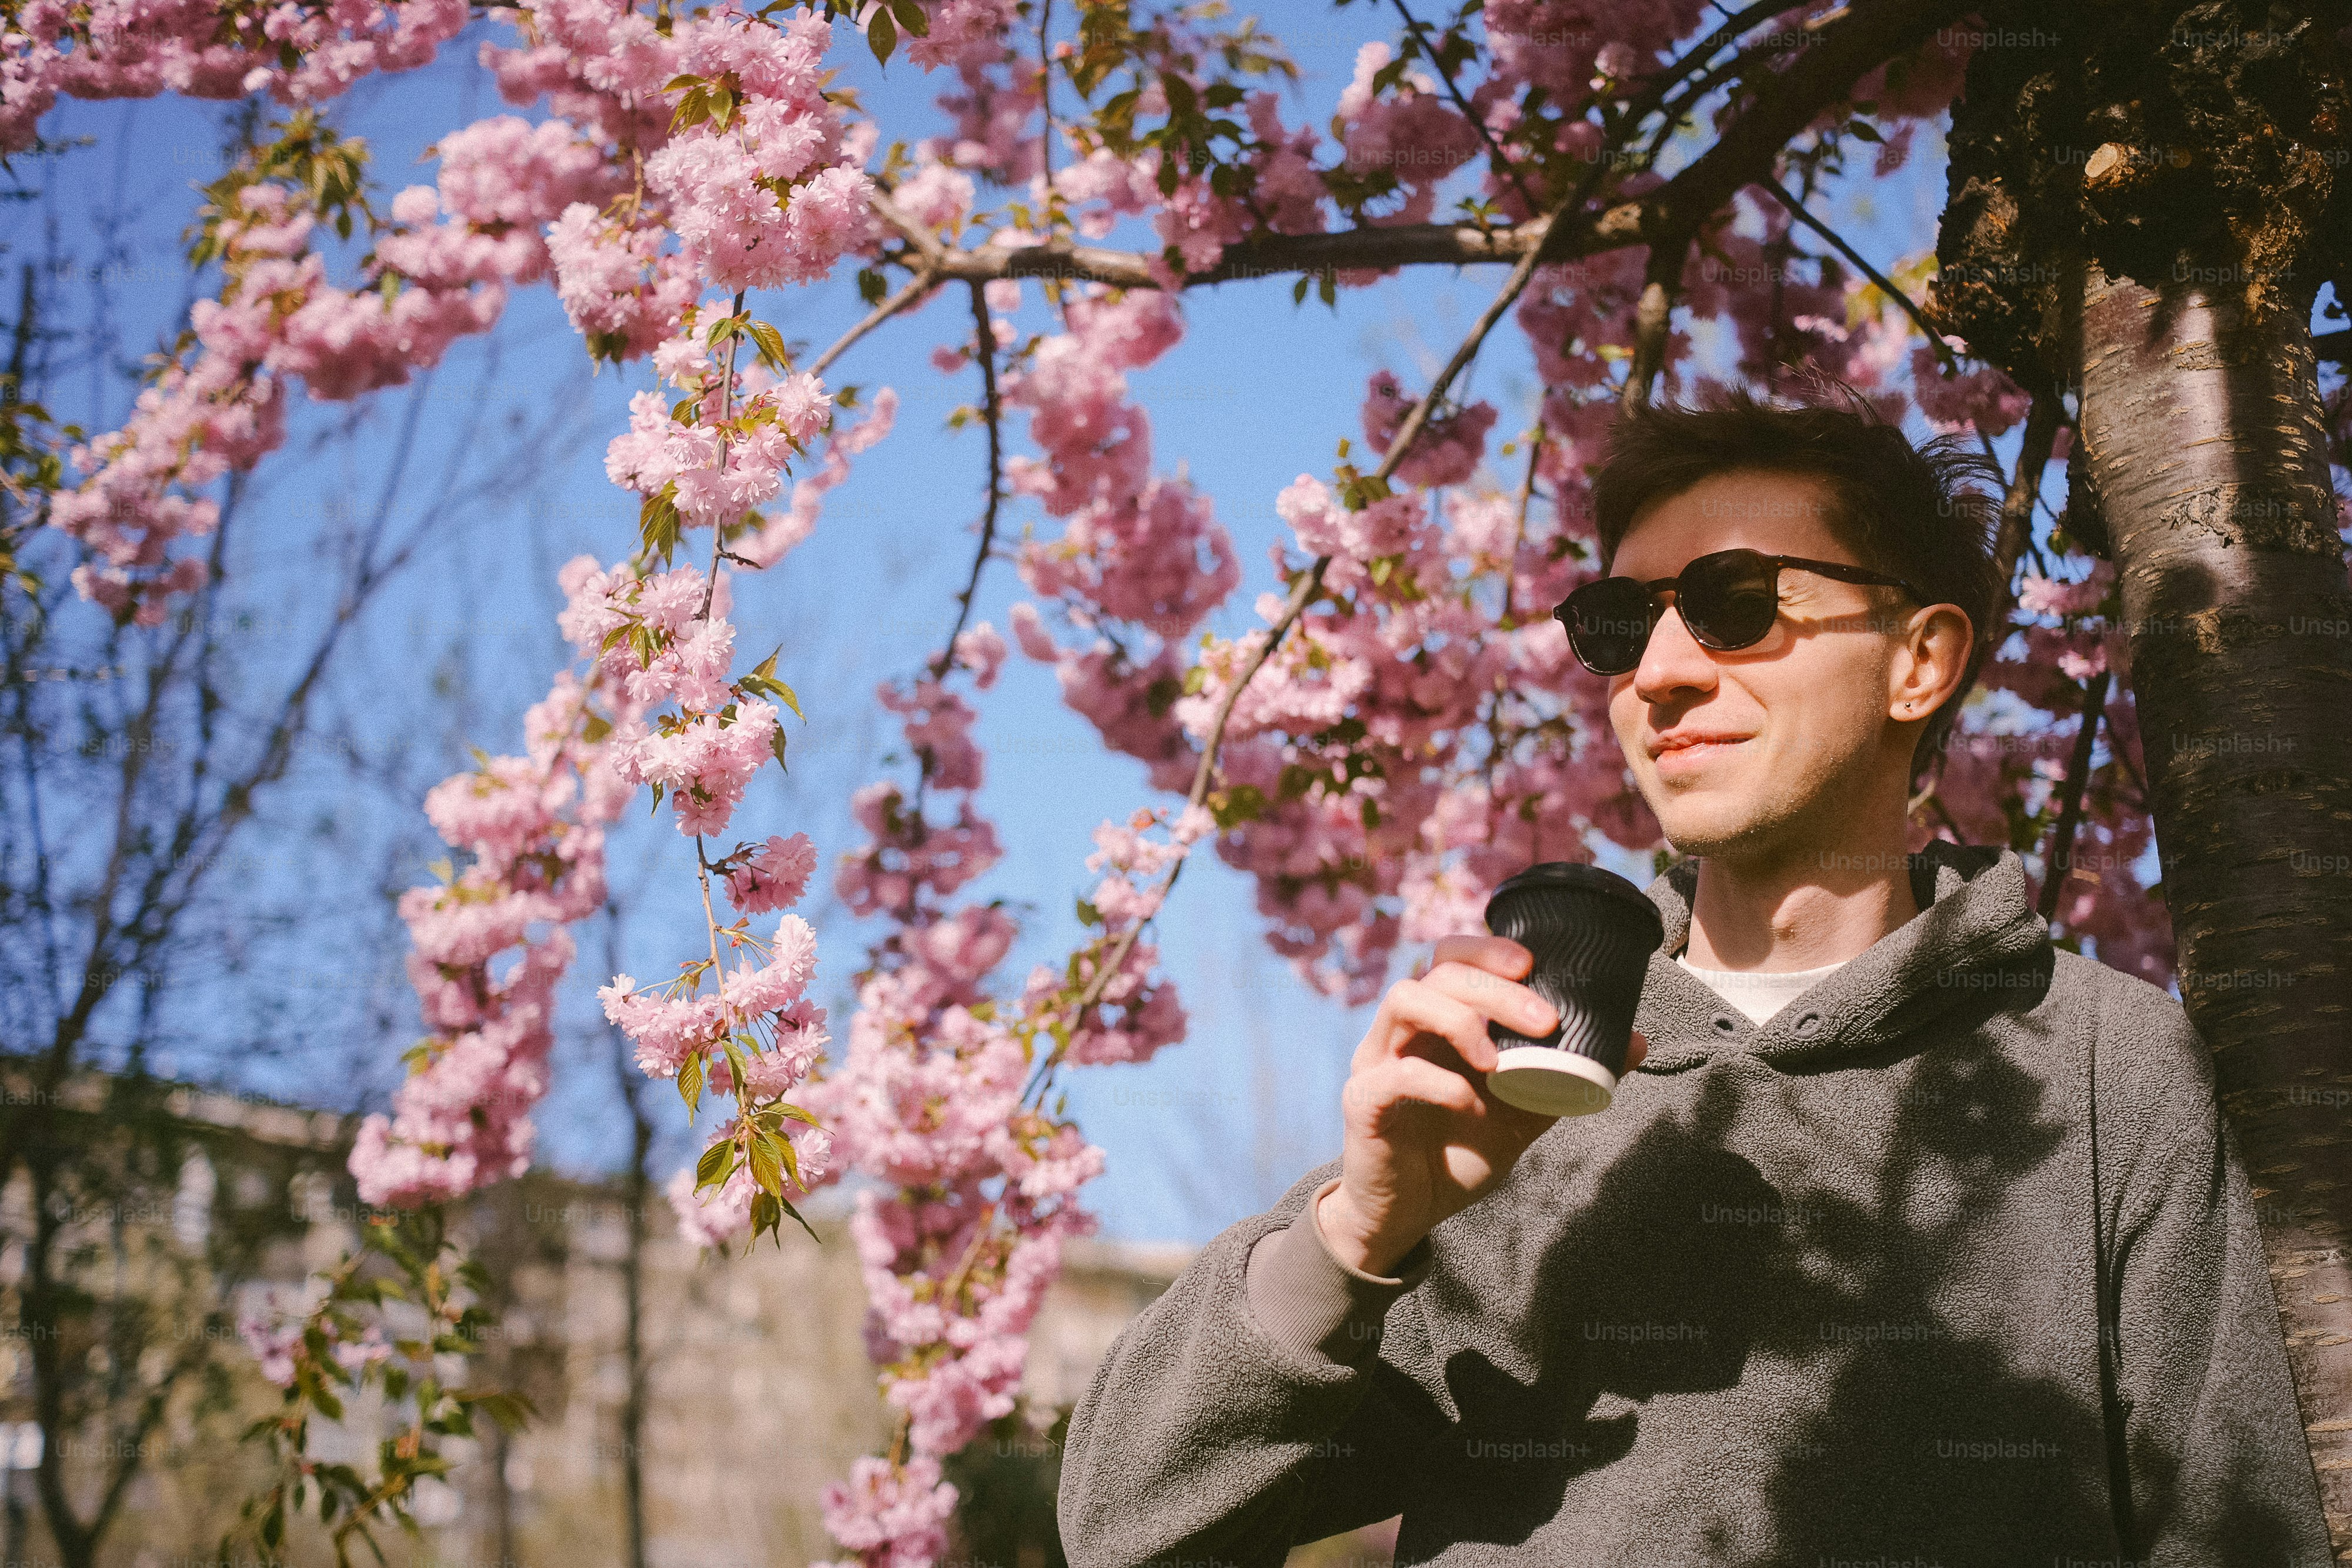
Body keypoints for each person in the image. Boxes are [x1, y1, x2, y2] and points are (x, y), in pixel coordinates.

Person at [1055, 387, 2331, 1566]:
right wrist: (1354, 1233)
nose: (1656, 672)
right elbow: (1126, 1528)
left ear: (1919, 661)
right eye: (1619, 624)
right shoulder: (1516, 1073)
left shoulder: (2103, 1064)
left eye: (1734, 602)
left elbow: (2231, 1528)